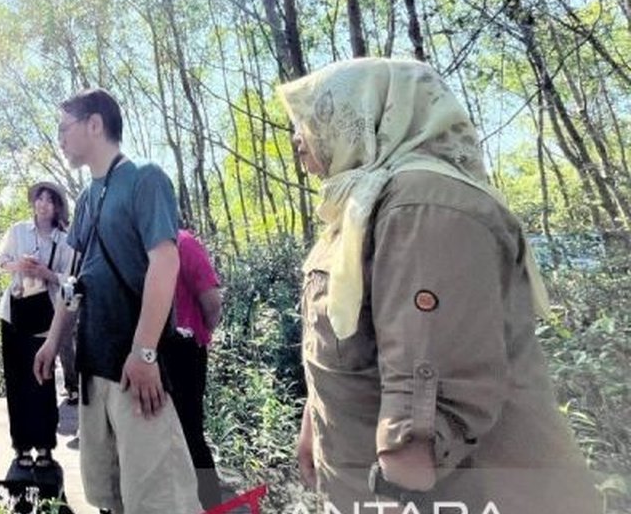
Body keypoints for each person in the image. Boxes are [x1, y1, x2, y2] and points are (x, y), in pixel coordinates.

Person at [278, 58, 601, 513]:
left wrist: (402, 477)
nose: (298, 137)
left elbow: (431, 371)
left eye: (315, 117)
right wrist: (314, 423)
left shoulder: (422, 202)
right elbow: (351, 333)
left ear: (368, 114)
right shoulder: (359, 206)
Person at [34, 88, 198, 514]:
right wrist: (53, 342)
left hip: (137, 374)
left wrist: (144, 353)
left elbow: (165, 263)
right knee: (111, 496)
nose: (60, 138)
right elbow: (76, 283)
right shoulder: (88, 198)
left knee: (159, 500)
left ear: (94, 124)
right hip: (95, 371)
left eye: (63, 128)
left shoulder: (146, 178)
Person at [0, 180, 75, 470]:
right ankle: (21, 447)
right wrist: (20, 266)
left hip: (45, 317)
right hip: (14, 312)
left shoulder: (65, 241)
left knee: (42, 380)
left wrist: (45, 272)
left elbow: (70, 282)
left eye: (49, 200)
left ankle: (44, 446)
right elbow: (0, 262)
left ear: (57, 208)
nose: (43, 204)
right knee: (16, 381)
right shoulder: (17, 231)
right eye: (39, 199)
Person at [163, 227, 224, 510]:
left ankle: (209, 502)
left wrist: (200, 333)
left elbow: (212, 302)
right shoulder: (141, 245)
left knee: (189, 429)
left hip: (185, 350)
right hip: (152, 351)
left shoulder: (184, 243)